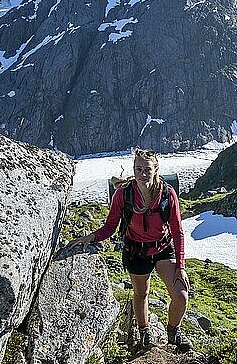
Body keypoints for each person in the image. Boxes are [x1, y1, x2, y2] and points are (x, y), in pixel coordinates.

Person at [69, 148, 192, 352]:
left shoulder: (167, 194)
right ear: (133, 169)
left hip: (162, 248)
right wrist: (91, 237)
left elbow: (177, 231)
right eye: (138, 169)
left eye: (147, 169)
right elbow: (110, 226)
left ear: (156, 170)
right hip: (137, 251)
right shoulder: (123, 194)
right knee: (141, 293)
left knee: (180, 295)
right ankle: (144, 333)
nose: (143, 174)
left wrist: (181, 266)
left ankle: (174, 333)